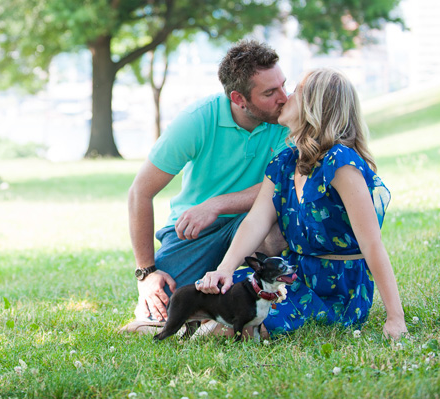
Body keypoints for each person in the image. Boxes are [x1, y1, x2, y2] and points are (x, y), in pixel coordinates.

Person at [195, 68, 408, 339]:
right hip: (292, 275)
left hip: (334, 288)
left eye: (295, 91)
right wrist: (225, 268)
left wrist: (395, 317)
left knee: (234, 324)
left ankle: (200, 330)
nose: (285, 98)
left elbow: (371, 243)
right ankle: (175, 325)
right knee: (211, 298)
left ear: (313, 106)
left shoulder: (341, 163)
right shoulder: (284, 163)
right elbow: (256, 220)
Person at [122, 39, 290, 333]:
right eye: (270, 92)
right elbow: (140, 192)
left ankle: (247, 312)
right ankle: (215, 321)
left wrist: (217, 204)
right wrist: (146, 273)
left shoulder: (286, 119)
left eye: (283, 85)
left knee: (275, 231)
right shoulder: (197, 120)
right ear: (239, 99)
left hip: (253, 220)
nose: (284, 97)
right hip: (193, 229)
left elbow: (278, 187)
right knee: (162, 311)